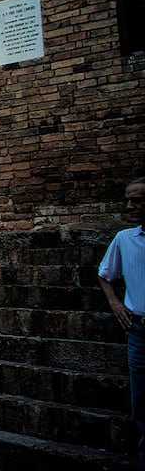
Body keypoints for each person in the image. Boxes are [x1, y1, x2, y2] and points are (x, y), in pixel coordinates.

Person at [98, 177, 145, 470]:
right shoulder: (124, 239)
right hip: (139, 331)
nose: (130, 206)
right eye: (128, 199)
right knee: (141, 402)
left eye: (138, 199)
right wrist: (115, 302)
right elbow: (106, 274)